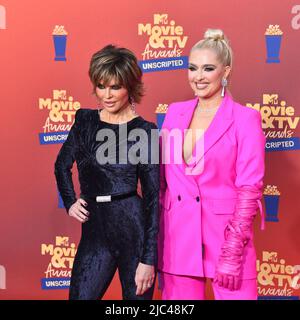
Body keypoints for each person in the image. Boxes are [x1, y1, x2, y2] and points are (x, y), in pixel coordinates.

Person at [158, 29, 265, 300]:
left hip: (227, 242)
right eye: (192, 68)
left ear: (225, 71)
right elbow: (163, 180)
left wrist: (232, 253)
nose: (198, 76)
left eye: (208, 68)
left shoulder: (245, 119)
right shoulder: (173, 112)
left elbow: (249, 188)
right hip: (178, 240)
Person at [55, 45, 159, 300]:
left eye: (116, 87)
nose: (107, 95)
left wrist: (148, 259)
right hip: (95, 233)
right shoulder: (84, 121)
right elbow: (61, 165)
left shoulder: (146, 132)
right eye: (101, 86)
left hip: (133, 232)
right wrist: (69, 201)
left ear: (130, 87)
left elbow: (154, 198)